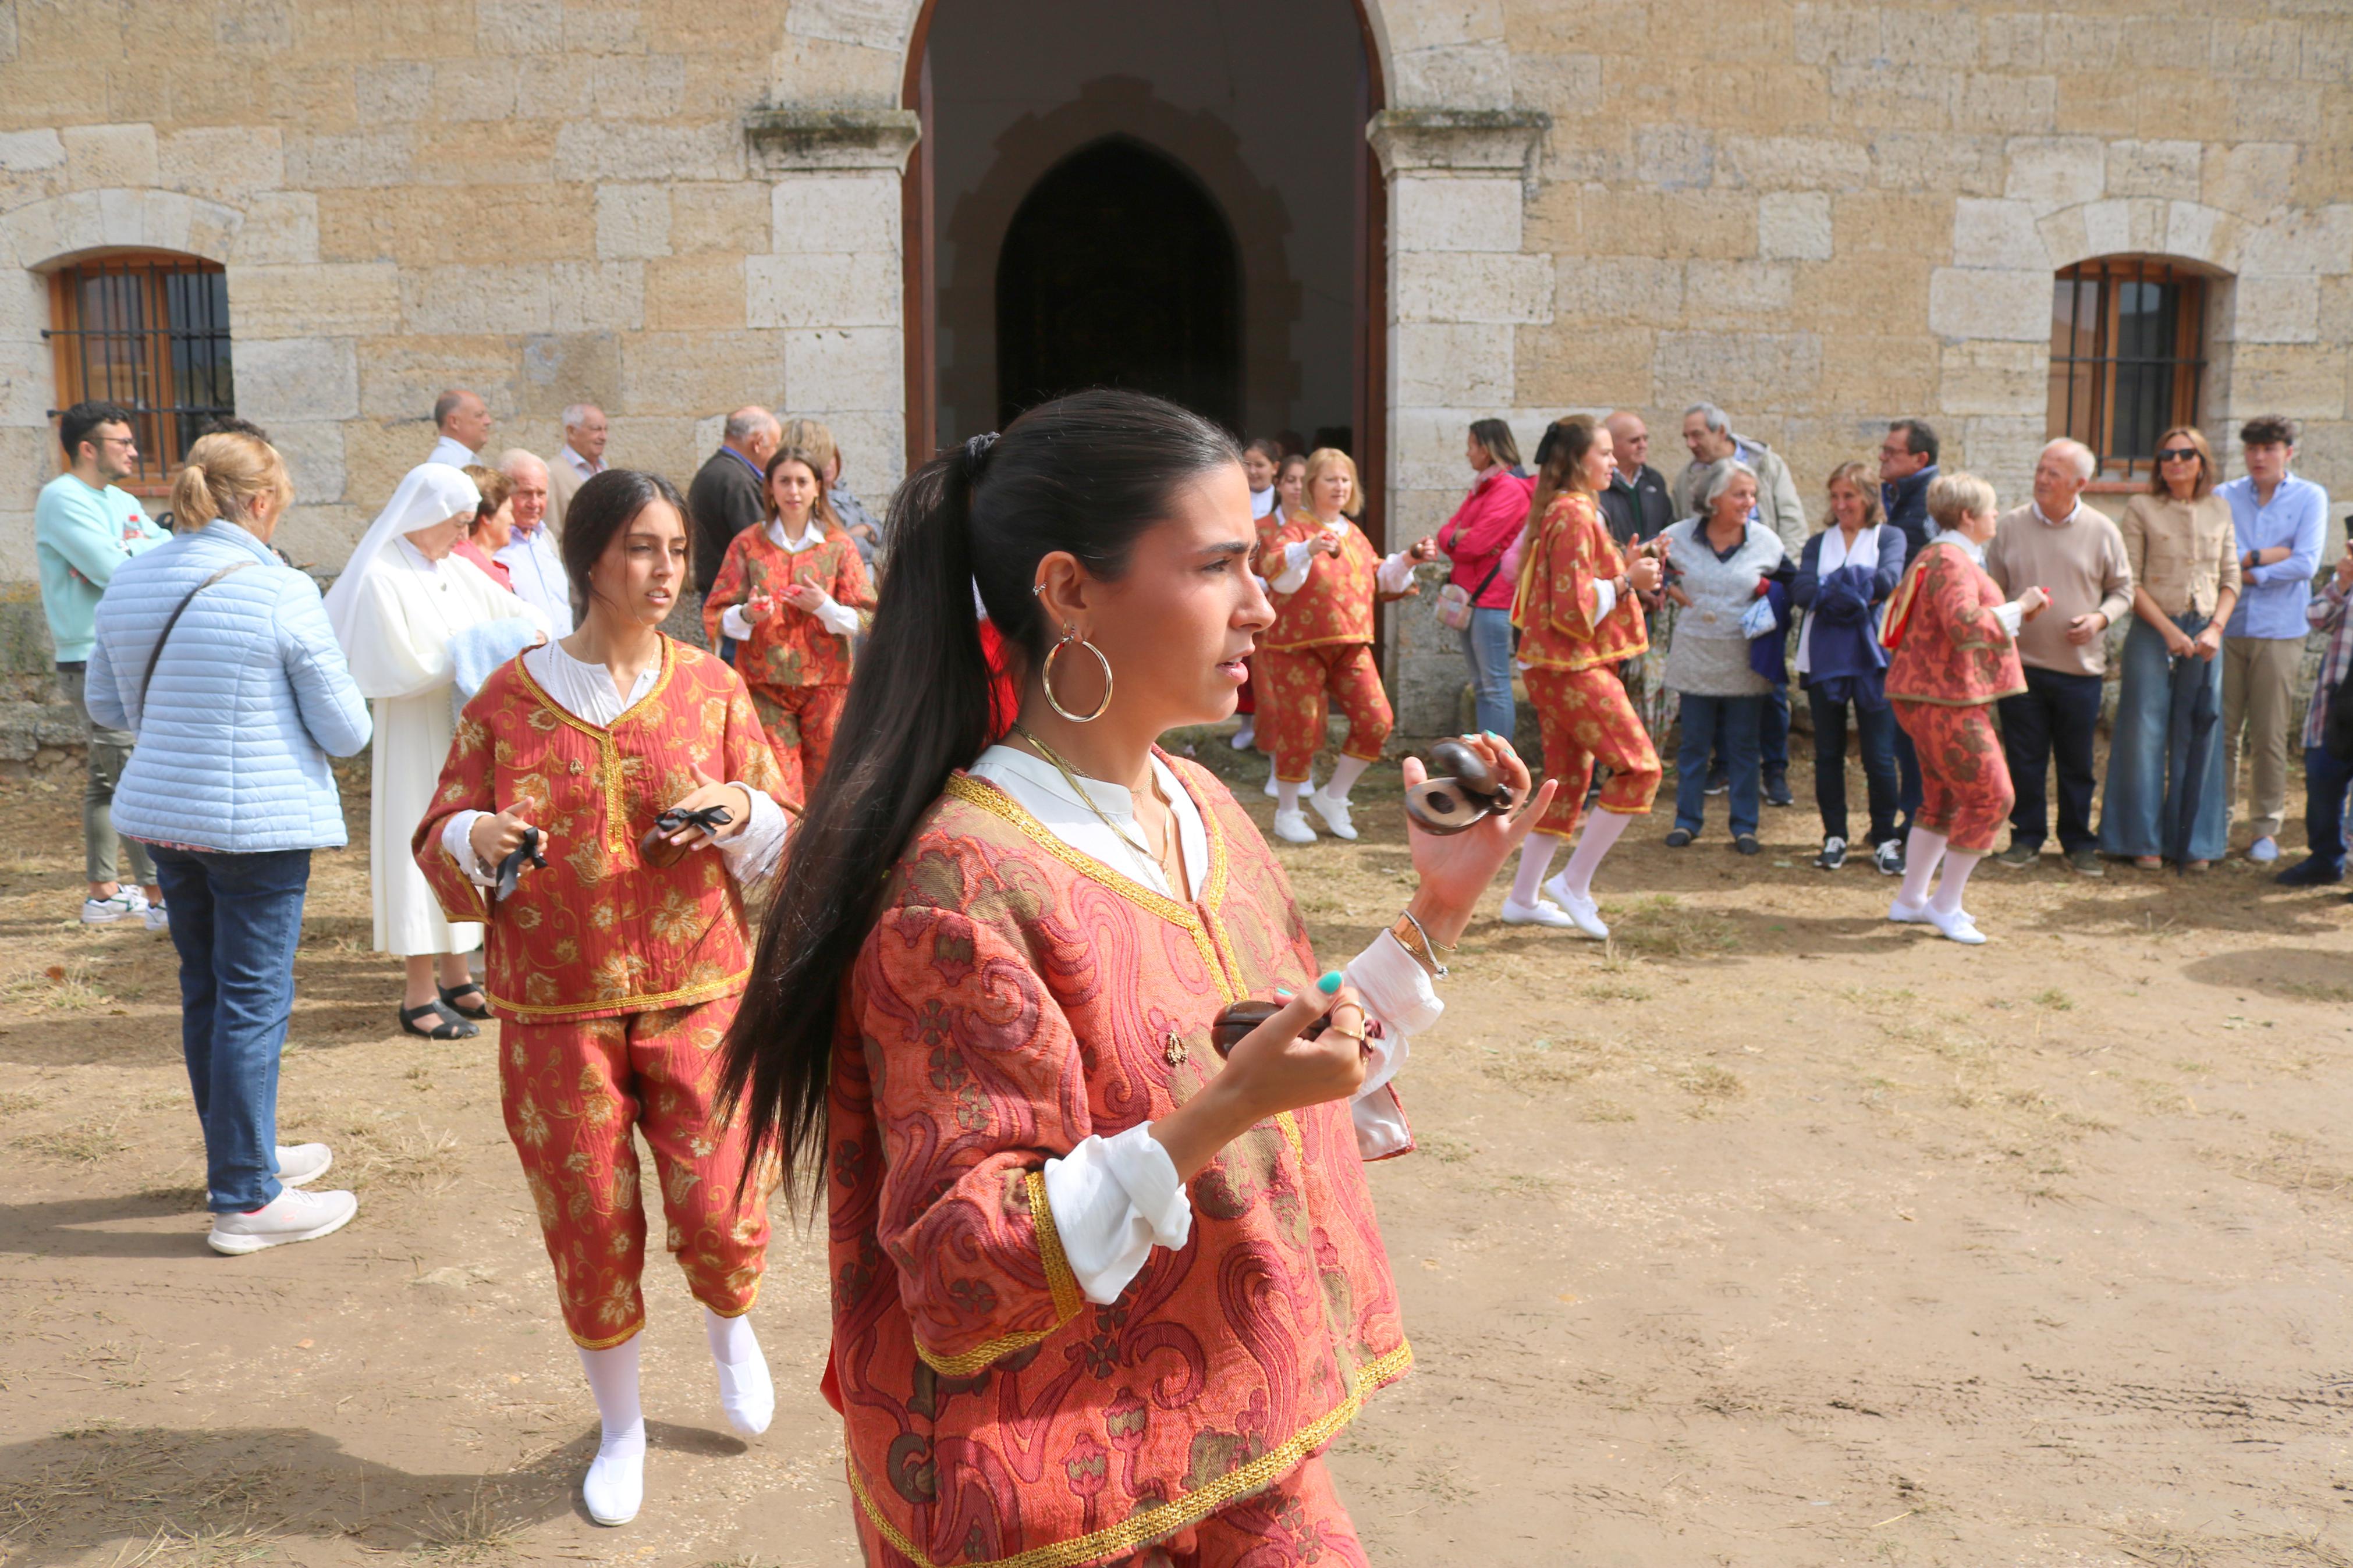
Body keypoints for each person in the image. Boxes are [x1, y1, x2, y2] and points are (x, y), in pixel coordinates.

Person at [716, 388, 1556, 1568]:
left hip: (1232, 1440)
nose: (1263, 605)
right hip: (1056, 1492)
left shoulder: (1199, 804)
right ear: (1065, 592)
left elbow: (1290, 1056)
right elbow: (964, 1261)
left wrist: (1440, 906)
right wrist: (1223, 1110)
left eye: (1255, 564)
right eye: (1218, 568)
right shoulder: (961, 887)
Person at [415, 469, 790, 1528]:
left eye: (675, 549)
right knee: (587, 1216)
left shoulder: (712, 689)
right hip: (552, 1007)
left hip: (700, 987)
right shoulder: (507, 699)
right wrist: (473, 838)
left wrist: (736, 807)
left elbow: (779, 824)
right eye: (640, 548)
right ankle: (620, 1425)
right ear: (590, 559)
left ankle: (728, 1324)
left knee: (716, 1200)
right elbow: (438, 828)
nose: (664, 569)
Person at [85, 430, 370, 1254]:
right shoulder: (279, 588)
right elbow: (346, 730)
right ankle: (245, 1197)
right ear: (259, 502)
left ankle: (239, 1155)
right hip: (256, 825)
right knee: (251, 998)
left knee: (208, 990)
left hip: (169, 815)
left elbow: (107, 705)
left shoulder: (131, 579)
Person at [323, 464, 545, 1040]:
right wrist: (475, 649)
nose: (462, 536)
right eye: (455, 523)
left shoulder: (448, 566)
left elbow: (514, 613)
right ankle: (418, 992)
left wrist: (539, 634)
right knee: (419, 848)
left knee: (463, 839)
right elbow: (396, 665)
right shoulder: (380, 573)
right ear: (425, 517)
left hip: (458, 731)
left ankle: (457, 975)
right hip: (414, 729)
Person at [1502, 415, 1664, 933]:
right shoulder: (1573, 513)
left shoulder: (1564, 510)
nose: (1613, 461)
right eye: (1603, 452)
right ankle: (1573, 883)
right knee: (1640, 769)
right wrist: (1626, 579)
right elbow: (1572, 608)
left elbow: (1565, 591)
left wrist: (1624, 568)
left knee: (1568, 779)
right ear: (1576, 461)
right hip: (1570, 666)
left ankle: (1523, 897)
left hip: (1554, 666)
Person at [1884, 473, 2050, 944]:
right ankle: (1944, 904)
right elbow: (1962, 624)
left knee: (1940, 799)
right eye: (1991, 508)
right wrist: (2019, 607)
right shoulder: (1951, 560)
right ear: (1967, 516)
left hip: (1930, 694)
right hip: (1944, 697)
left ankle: (1912, 900)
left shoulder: (1941, 555)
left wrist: (2020, 613)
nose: (1997, 515)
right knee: (1992, 797)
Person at [36, 401, 169, 926]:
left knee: (107, 777)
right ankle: (163, 900)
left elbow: (165, 547)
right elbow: (114, 569)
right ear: (88, 448)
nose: (135, 451)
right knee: (133, 775)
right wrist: (139, 553)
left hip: (125, 651)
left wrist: (138, 551)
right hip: (92, 657)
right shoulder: (62, 498)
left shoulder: (120, 499)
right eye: (124, 443)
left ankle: (105, 893)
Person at [1255, 448, 1431, 844]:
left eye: (1345, 480)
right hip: (1297, 645)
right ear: (1312, 485)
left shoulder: (1353, 532)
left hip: (1351, 642)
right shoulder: (1297, 528)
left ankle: (1334, 796)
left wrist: (1408, 559)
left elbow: (1379, 578)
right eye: (1330, 479)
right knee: (1300, 728)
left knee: (1376, 720)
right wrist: (1309, 548)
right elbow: (1276, 570)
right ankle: (1287, 811)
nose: (1339, 487)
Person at [1982, 439, 2132, 875]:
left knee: (2076, 763)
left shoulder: (2103, 529)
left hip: (2079, 671)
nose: (2041, 479)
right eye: (2040, 469)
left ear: (2079, 483)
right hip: (2020, 667)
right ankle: (2025, 838)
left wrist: (2100, 619)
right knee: (2024, 760)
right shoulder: (2009, 526)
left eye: (2053, 473)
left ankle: (2077, 842)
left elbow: (2123, 590)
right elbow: (1991, 589)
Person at [2098, 427, 2240, 870]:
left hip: (2205, 632)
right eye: (2165, 455)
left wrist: (2215, 628)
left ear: (2201, 462)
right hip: (2152, 628)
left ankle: (2194, 842)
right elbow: (2129, 582)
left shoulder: (2220, 508)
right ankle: (2139, 839)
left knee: (2200, 729)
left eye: (2184, 454)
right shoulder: (2141, 507)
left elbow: (2231, 577)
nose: (2174, 461)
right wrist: (2167, 632)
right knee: (2143, 731)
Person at [701, 446, 876, 799]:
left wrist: (825, 607)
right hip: (766, 686)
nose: (793, 491)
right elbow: (716, 613)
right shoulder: (748, 544)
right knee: (778, 785)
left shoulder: (838, 546)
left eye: (801, 481)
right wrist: (749, 614)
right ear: (770, 488)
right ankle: (783, 855)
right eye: (784, 481)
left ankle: (823, 855)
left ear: (817, 489)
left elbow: (869, 617)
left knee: (827, 784)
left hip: (828, 686)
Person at [2219, 414, 2330, 864]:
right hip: (2225, 626)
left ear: (2288, 452)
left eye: (2268, 448)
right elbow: (2214, 555)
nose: (2258, 457)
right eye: (2251, 448)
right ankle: (2216, 820)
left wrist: (2247, 570)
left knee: (2267, 733)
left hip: (2280, 631)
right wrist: (2266, 557)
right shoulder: (2222, 495)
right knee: (2221, 732)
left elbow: (2305, 562)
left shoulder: (2310, 496)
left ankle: (2264, 828)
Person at [1659, 463, 1785, 853]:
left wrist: (1772, 597)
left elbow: (1790, 583)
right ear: (1714, 498)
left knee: (1744, 745)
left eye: (1752, 494)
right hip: (1696, 654)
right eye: (1740, 494)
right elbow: (1639, 563)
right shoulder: (1677, 536)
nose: (1749, 502)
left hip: (1743, 659)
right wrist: (1666, 587)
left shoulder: (1765, 541)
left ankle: (1744, 826)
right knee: (1694, 743)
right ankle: (1686, 821)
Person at [1793, 461, 1906, 872]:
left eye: (1849, 496)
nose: (1841, 505)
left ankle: (1885, 836)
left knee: (1878, 753)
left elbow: (1888, 580)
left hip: (1871, 656)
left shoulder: (1888, 537)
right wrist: (1855, 589)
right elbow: (1802, 590)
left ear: (1869, 498)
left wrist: (1832, 589)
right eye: (1835, 497)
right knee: (1828, 751)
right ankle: (1833, 834)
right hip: (1823, 656)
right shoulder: (1817, 543)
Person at [1438, 417, 1535, 739]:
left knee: (1494, 686)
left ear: (1486, 448)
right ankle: (1487, 760)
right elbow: (1447, 533)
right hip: (1474, 598)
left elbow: (1474, 543)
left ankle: (1501, 767)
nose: (1467, 454)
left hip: (1492, 600)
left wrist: (1456, 537)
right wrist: (1455, 537)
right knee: (1482, 685)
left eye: (1470, 446)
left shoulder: (1507, 489)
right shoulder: (1484, 486)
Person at [2278, 531, 2353, 887]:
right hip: (2338, 704)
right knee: (2323, 780)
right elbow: (2317, 616)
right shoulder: (2348, 584)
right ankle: (2325, 859)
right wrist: (2343, 582)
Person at [1601, 411, 1678, 744]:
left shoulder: (1655, 482)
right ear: (1613, 445)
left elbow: (1668, 533)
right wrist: (1633, 584)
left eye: (1645, 438)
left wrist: (1663, 584)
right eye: (1635, 440)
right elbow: (1603, 552)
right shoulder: (1600, 489)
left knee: (1649, 684)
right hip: (1615, 597)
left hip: (1653, 598)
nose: (1643, 445)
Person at [1248, 452, 1311, 783]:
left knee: (1311, 706)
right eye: (1291, 480)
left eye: (1304, 480)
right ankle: (1278, 768)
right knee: (1273, 703)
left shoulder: (1320, 531)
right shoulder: (1260, 528)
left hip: (1311, 630)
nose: (1298, 487)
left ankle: (1304, 769)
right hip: (1271, 630)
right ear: (1279, 483)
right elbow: (1244, 572)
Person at [1673, 403, 1806, 556]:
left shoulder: (1766, 464)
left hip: (1767, 566)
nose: (1690, 444)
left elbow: (1792, 523)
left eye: (1697, 435)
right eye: (1686, 437)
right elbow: (1682, 532)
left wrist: (1781, 567)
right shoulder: (1686, 479)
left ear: (1721, 431)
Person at [687, 407, 778, 597]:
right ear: (758, 442)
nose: (775, 454)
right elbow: (760, 544)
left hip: (721, 589)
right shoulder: (737, 480)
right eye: (774, 446)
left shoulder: (716, 470)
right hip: (736, 596)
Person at [494, 450, 575, 635]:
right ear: (503, 493)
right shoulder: (494, 545)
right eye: (526, 493)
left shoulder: (545, 538)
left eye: (541, 494)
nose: (535, 503)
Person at [1878, 418, 1940, 563]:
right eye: (1883, 450)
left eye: (1891, 452)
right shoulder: (1887, 495)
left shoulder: (1937, 500)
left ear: (1920, 460)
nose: (1881, 457)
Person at [453, 465, 517, 592]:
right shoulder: (466, 562)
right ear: (487, 516)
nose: (513, 521)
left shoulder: (473, 560)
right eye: (509, 511)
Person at [546, 402, 608, 533]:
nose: (603, 437)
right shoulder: (553, 473)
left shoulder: (605, 470)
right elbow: (551, 531)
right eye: (596, 429)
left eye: (605, 430)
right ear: (572, 431)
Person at [427, 388, 489, 468]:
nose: (488, 421)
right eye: (479, 415)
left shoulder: (461, 459)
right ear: (454, 422)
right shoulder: (447, 465)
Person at [1243, 435, 1282, 520]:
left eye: (1259, 465)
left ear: (1275, 467)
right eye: (1247, 464)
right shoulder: (1234, 497)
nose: (1252, 471)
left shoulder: (1282, 500)